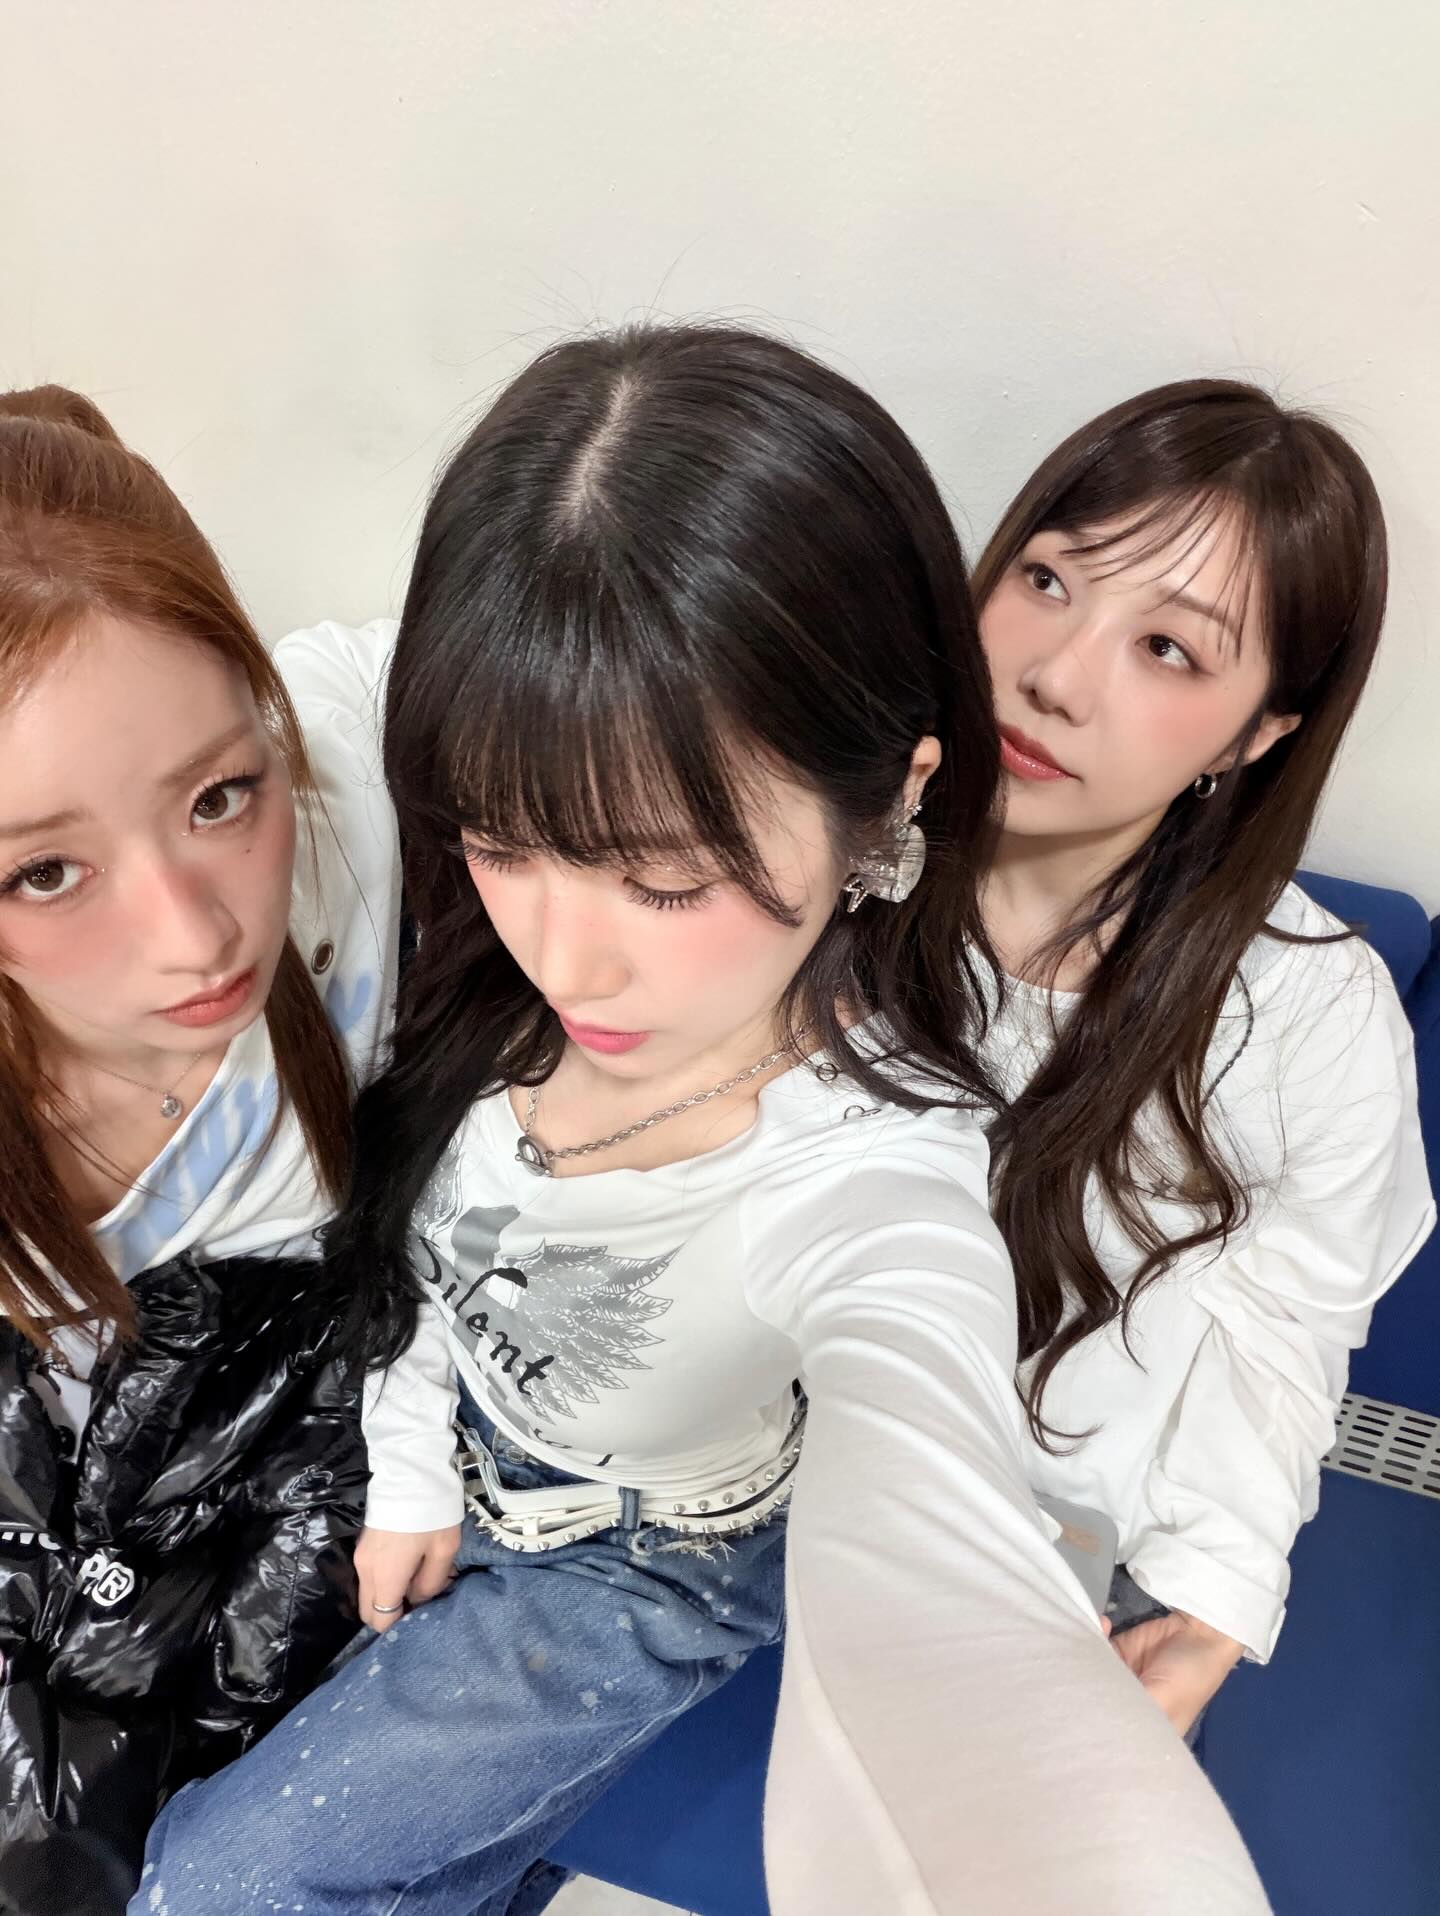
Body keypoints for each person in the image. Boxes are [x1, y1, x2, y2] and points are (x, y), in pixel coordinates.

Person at [133, 325, 1270, 1916]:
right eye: (501, 840)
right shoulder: (499, 983)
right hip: (444, 1451)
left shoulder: (876, 1161)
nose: (568, 953)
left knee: (216, 1885)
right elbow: (424, 1255)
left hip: (647, 1562)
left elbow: (926, 1439)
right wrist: (409, 1470)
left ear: (888, 803)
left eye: (665, 882)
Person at [973, 380, 1435, 1737]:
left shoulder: (1304, 1006)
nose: (1056, 675)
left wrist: (1210, 1602)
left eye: (1168, 647)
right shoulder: (818, 867)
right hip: (735, 1483)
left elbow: (1283, 1327)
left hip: (1047, 1549)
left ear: (1257, 733)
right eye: (1047, 579)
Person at [0, 387, 400, 1913]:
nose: (194, 936)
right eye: (46, 873)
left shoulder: (354, 793)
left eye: (223, 797)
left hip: (324, 1523)